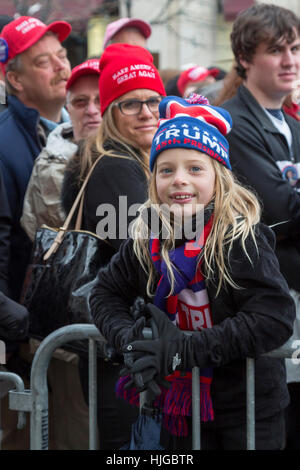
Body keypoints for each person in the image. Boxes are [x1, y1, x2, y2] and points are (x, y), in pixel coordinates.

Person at [89, 94, 295, 450]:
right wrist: (132, 342)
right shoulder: (145, 239)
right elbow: (104, 292)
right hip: (176, 412)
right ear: (152, 181)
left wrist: (185, 349)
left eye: (195, 168)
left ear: (219, 178)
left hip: (245, 415)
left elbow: (273, 318)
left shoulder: (242, 239)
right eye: (166, 170)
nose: (179, 180)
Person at [61, 43, 166, 450]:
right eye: (130, 104)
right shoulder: (112, 166)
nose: (146, 112)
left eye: (153, 101)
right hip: (116, 353)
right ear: (108, 111)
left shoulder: (126, 159)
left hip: (120, 346)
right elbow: (147, 253)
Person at [220, 3, 300, 449]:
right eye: (276, 50)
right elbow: (277, 211)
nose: (289, 60)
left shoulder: (291, 123)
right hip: (267, 301)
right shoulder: (233, 122)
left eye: (295, 48)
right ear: (246, 58)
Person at [0, 16, 72, 302]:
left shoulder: (88, 129)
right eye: (43, 62)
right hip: (29, 323)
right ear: (15, 79)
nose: (60, 66)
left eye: (63, 55)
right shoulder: (4, 145)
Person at [21, 58, 101, 242]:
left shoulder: (138, 149)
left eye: (100, 99)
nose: (91, 110)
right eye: (81, 102)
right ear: (68, 110)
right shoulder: (52, 167)